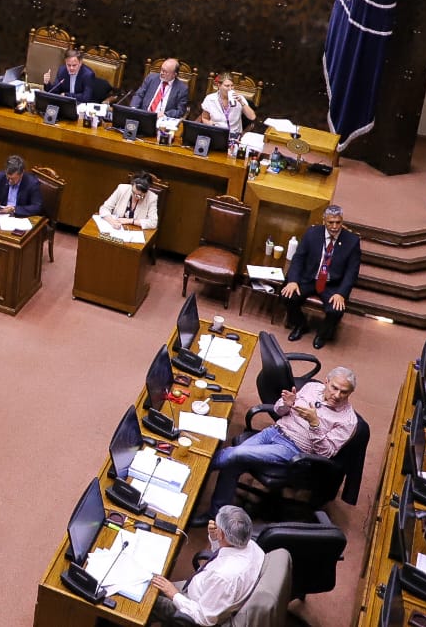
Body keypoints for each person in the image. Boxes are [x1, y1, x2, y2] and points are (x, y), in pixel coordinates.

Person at [202, 366, 359, 514]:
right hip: (273, 431)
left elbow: (325, 453)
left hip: (294, 450)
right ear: (326, 382)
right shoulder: (312, 388)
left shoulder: (348, 421)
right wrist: (286, 403)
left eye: (344, 392)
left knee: (236, 454)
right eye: (334, 388)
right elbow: (278, 410)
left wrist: (314, 424)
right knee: (233, 462)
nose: (337, 395)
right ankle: (214, 515)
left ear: (350, 393)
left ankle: (197, 466)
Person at [148, 506, 264, 626]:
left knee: (147, 599)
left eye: (217, 526)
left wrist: (174, 594)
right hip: (204, 588)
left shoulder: (224, 577)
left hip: (194, 606)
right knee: (151, 583)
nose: (214, 525)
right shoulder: (251, 545)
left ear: (222, 535)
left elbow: (204, 618)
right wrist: (215, 538)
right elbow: (223, 557)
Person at [281, 205, 360, 348]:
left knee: (335, 310)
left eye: (338, 222)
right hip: (309, 279)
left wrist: (341, 293)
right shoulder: (312, 233)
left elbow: (352, 272)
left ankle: (322, 334)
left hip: (332, 284)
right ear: (324, 221)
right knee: (288, 296)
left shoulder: (352, 241)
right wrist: (293, 281)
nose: (335, 226)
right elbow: (298, 258)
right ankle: (300, 325)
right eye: (331, 222)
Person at [200, 73, 257, 142]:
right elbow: (204, 118)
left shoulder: (240, 98)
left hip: (234, 136)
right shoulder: (210, 99)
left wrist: (241, 103)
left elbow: (252, 117)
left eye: (232, 86)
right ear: (219, 85)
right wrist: (209, 124)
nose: (230, 89)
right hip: (216, 133)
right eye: (227, 86)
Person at [126, 58, 190, 118]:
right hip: (143, 115)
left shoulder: (182, 89)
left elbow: (180, 111)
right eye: (161, 69)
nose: (162, 73)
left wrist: (165, 114)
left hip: (162, 120)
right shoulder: (151, 78)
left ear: (174, 74)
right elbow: (139, 95)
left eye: (165, 72)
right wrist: (133, 109)